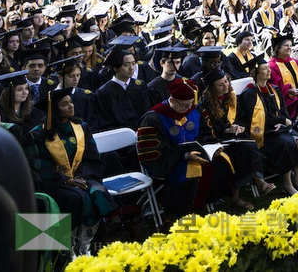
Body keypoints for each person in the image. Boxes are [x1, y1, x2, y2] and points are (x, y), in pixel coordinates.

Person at [26, 89, 116, 255]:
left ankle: (84, 244)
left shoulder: (80, 127)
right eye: (64, 104)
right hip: (55, 182)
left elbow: (92, 157)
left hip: (83, 177)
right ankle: (66, 246)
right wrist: (67, 180)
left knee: (99, 192)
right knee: (76, 198)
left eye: (71, 102)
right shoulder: (39, 134)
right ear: (53, 110)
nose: (70, 106)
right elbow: (42, 166)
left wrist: (81, 177)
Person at [137, 77, 235, 214]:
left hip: (196, 153)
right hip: (169, 161)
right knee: (191, 170)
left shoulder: (193, 110)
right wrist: (185, 155)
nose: (189, 109)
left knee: (222, 161)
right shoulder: (154, 118)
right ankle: (182, 212)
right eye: (184, 105)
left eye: (191, 104)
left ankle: (209, 200)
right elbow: (154, 153)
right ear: (172, 100)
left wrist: (211, 147)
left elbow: (205, 133)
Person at [197, 67, 275, 208]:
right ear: (212, 88)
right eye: (220, 85)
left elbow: (241, 118)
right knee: (245, 150)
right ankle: (255, 184)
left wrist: (239, 126)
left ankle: (247, 188)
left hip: (235, 138)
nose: (225, 86)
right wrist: (227, 129)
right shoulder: (204, 106)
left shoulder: (232, 98)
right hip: (217, 141)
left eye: (226, 81)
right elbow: (208, 130)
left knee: (248, 147)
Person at [236, 54, 298, 196]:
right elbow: (259, 118)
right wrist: (281, 121)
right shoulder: (249, 93)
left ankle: (297, 179)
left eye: (269, 68)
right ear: (256, 73)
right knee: (286, 144)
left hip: (279, 128)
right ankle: (287, 184)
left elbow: (283, 111)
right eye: (264, 69)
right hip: (263, 132)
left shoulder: (274, 89)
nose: (269, 71)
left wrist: (284, 122)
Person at [92, 48, 154, 131]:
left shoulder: (140, 86)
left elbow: (147, 111)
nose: (131, 68)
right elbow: (105, 121)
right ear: (115, 67)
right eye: (126, 65)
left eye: (133, 63)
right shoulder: (104, 92)